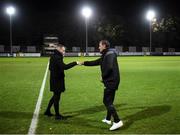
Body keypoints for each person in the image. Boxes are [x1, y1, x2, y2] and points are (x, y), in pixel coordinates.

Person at [81, 40, 123, 130]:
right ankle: (108, 119)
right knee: (110, 101)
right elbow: (95, 62)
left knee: (106, 101)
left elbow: (110, 67)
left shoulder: (110, 54)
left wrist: (103, 76)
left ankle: (117, 121)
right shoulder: (105, 55)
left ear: (104, 46)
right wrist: (84, 63)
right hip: (111, 80)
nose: (98, 47)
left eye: (99, 45)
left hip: (111, 81)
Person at [44, 44, 79, 120]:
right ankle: (57, 115)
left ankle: (47, 111)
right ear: (59, 49)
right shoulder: (57, 57)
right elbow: (64, 67)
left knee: (55, 96)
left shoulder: (54, 56)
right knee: (57, 97)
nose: (64, 52)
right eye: (63, 50)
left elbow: (50, 68)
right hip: (57, 80)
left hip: (54, 79)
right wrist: (75, 63)